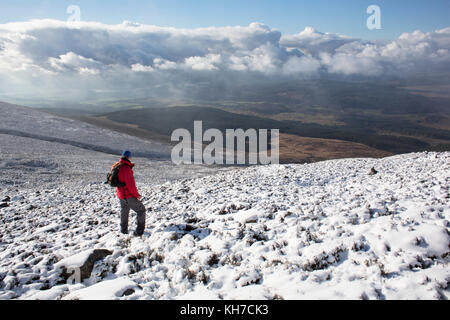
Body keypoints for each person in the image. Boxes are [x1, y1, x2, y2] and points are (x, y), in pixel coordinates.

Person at [116, 150, 146, 236]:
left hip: (121, 195)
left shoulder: (118, 166)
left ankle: (123, 231)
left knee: (124, 211)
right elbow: (130, 185)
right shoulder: (126, 168)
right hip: (128, 195)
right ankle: (139, 232)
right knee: (141, 210)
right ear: (129, 157)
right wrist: (137, 195)